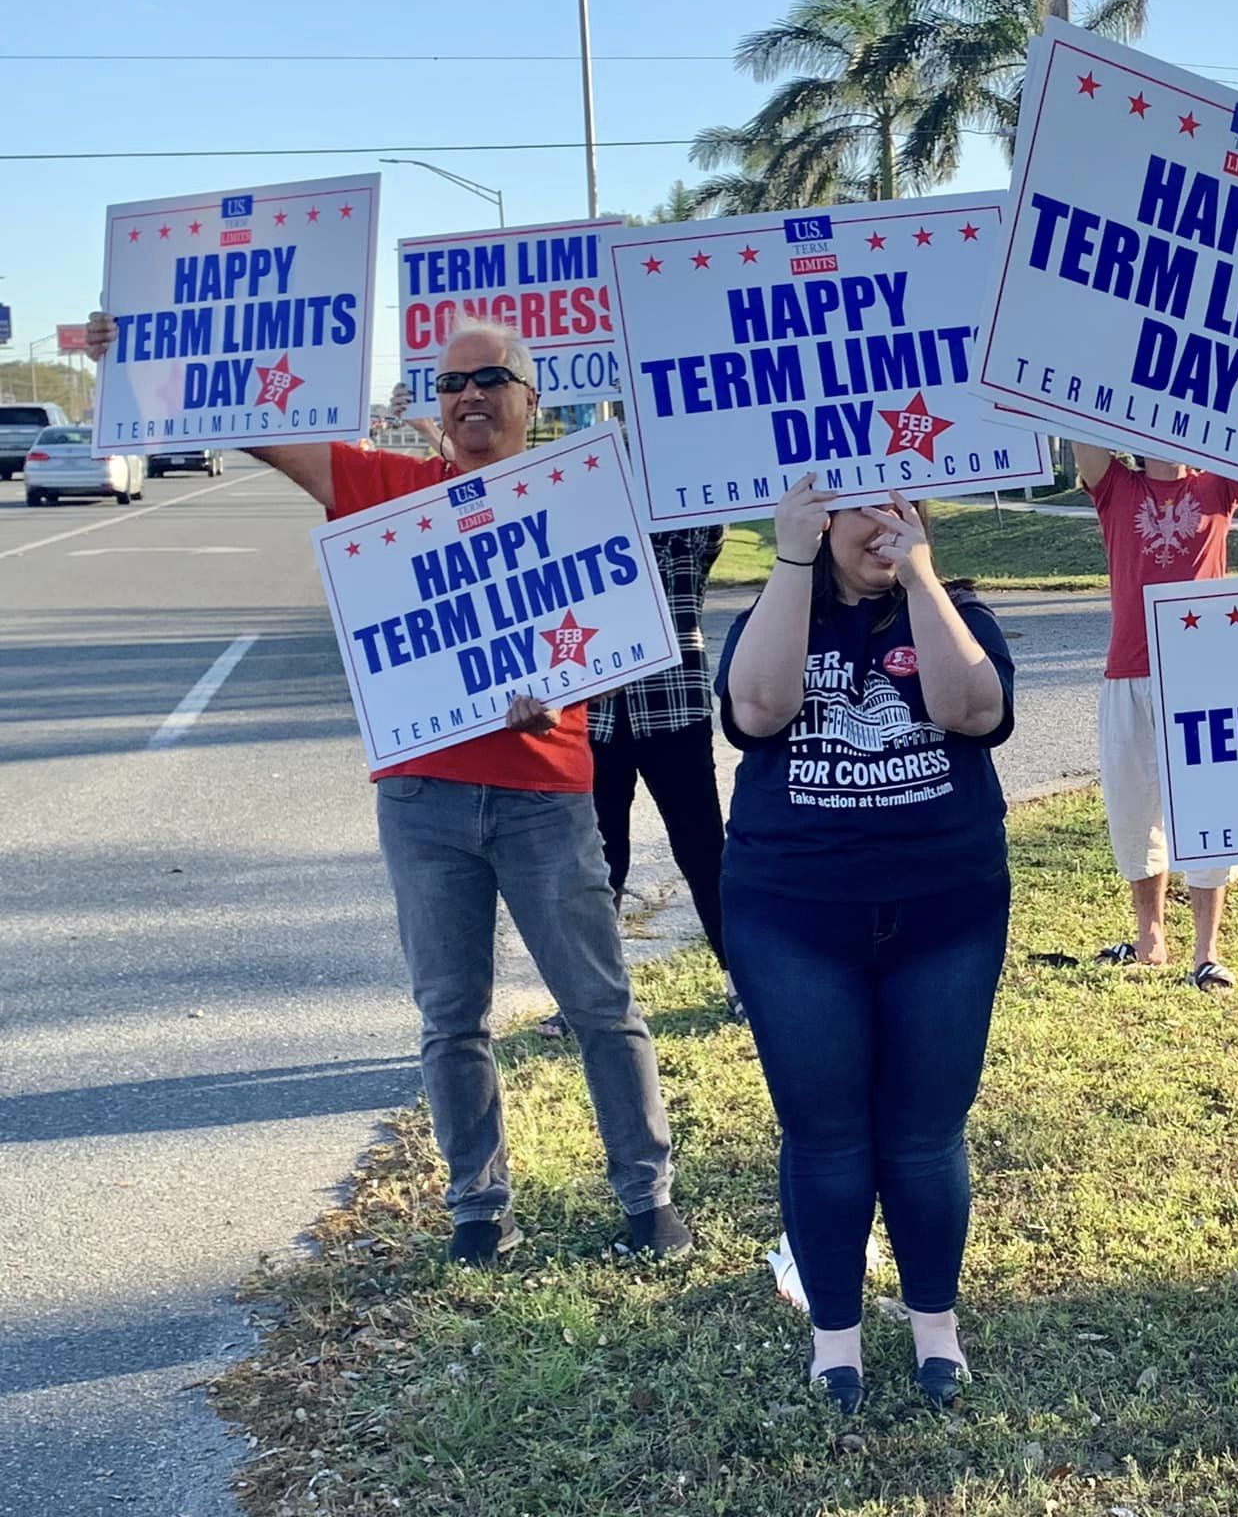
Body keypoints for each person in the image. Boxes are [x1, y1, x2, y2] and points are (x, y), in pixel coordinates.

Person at [83, 313, 693, 1268]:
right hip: (424, 800)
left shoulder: (575, 496)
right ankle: (476, 1208)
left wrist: (569, 687)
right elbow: (262, 431)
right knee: (452, 1017)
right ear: (437, 408)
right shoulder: (391, 493)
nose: (471, 398)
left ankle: (646, 1197)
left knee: (598, 1005)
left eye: (492, 379)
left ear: (533, 398)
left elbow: (619, 632)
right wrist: (139, 357)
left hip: (546, 797)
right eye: (452, 385)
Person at [718, 479, 1014, 1415]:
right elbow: (756, 713)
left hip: (945, 910)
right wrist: (793, 562)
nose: (881, 524)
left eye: (902, 508)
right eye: (859, 507)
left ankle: (936, 1327)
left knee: (926, 1138)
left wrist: (922, 578)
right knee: (826, 1136)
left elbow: (972, 710)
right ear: (817, 515)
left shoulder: (957, 607)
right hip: (795, 914)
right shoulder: (774, 607)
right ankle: (834, 1338)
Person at [535, 524, 737, 1037]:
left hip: (673, 710)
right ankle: (585, 998)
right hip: (597, 718)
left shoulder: (684, 538)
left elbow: (709, 514)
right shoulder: (576, 539)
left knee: (704, 851)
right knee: (596, 863)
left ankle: (743, 983)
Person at [1072, 441, 1238, 990]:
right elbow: (1083, 432)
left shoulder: (1217, 485)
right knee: (1133, 808)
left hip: (1200, 674)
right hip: (1128, 671)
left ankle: (1206, 951)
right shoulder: (1118, 488)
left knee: (1209, 810)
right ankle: (1149, 940)